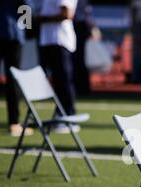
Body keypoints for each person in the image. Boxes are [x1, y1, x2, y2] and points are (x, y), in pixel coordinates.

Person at [0, 0, 33, 136]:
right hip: (11, 31)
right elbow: (25, 4)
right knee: (12, 80)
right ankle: (13, 123)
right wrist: (27, 27)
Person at [38, 0, 79, 134]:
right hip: (49, 40)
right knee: (57, 81)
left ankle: (69, 117)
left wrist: (38, 19)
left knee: (64, 80)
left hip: (59, 41)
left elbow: (66, 14)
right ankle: (60, 114)